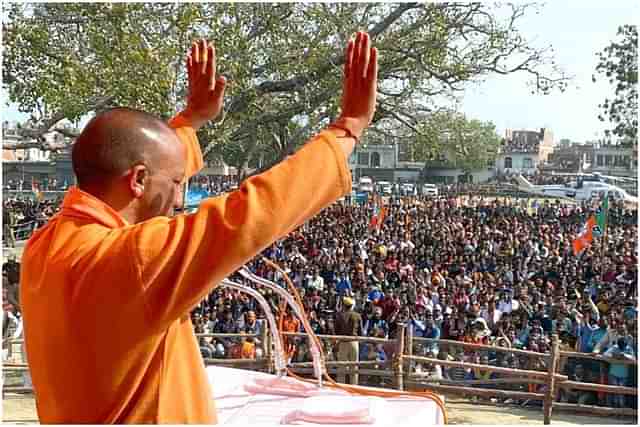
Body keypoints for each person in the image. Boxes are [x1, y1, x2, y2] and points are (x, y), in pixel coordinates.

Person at [20, 33, 378, 424]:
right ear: (137, 180)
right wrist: (348, 128)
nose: (178, 199)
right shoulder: (132, 261)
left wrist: (190, 120)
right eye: (177, 184)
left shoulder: (45, 245)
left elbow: (150, 165)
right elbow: (252, 212)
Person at [335, 296, 363, 385]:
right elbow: (360, 331)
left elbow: (336, 330)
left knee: (341, 367)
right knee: (354, 366)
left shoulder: (340, 316)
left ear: (344, 306)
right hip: (354, 342)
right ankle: (354, 386)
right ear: (352, 306)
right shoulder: (357, 316)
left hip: (343, 342)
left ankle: (340, 385)